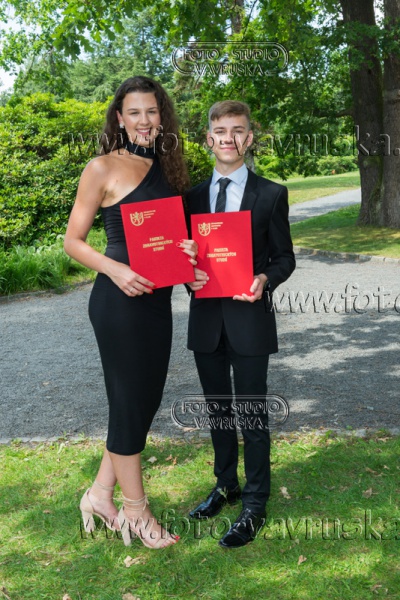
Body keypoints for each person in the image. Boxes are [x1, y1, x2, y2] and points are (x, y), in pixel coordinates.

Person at [64, 76, 197, 549]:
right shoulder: (101, 167)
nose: (144, 121)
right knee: (128, 402)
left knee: (142, 401)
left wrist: (188, 253)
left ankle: (100, 495)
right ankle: (136, 513)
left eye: (152, 112)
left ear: (163, 117)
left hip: (158, 302)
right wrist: (116, 270)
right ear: (119, 118)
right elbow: (72, 241)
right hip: (118, 303)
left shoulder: (169, 167)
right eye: (135, 112)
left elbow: (176, 239)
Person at [186, 101, 295, 548]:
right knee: (218, 412)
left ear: (249, 139)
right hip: (205, 322)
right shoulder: (190, 197)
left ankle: (254, 503)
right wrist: (187, 273)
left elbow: (284, 258)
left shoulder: (271, 194)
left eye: (237, 130)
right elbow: (182, 257)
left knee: (251, 415)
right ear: (208, 139)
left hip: (250, 320)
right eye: (220, 130)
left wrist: (264, 279)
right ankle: (225, 484)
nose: (228, 138)